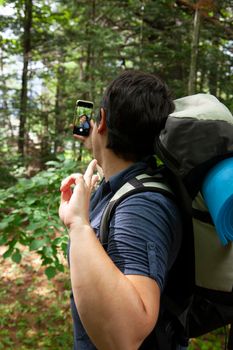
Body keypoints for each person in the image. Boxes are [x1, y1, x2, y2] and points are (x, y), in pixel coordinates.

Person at [59, 70, 183, 349]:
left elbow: (125, 337)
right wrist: (98, 145)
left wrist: (78, 225)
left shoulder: (142, 207)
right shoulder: (124, 184)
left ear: (101, 120)